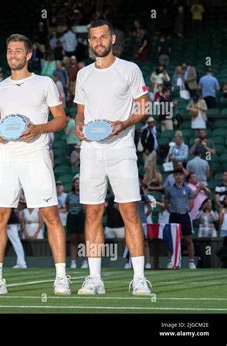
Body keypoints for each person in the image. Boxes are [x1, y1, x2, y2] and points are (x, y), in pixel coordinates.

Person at [0, 33, 70, 296]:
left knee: (50, 214)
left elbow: (61, 119)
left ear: (28, 55)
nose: (13, 55)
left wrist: (39, 128)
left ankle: (61, 277)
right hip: (6, 156)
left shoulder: (45, 83)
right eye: (9, 51)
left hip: (36, 154)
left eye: (18, 51)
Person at [73, 20, 152, 296]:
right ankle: (95, 279)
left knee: (129, 212)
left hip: (121, 149)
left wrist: (124, 122)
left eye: (102, 37)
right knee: (93, 213)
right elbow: (81, 111)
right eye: (93, 38)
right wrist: (78, 123)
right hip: (91, 151)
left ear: (113, 39)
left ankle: (139, 278)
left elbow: (143, 108)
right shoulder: (83, 74)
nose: (98, 42)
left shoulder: (130, 69)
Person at [164, 168, 196, 269]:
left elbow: (191, 203)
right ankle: (171, 261)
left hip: (185, 215)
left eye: (180, 174)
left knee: (188, 239)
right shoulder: (169, 189)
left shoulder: (188, 189)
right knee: (172, 239)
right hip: (174, 215)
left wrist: (186, 210)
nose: (178, 176)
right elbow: (165, 203)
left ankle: (191, 261)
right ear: (174, 176)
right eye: (176, 175)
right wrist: (172, 211)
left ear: (183, 176)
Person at [65, 175, 88, 269]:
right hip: (72, 217)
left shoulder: (85, 193)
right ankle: (73, 262)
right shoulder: (69, 195)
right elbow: (67, 206)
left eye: (79, 183)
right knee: (73, 241)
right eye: (76, 183)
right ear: (73, 184)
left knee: (83, 240)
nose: (77, 184)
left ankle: (85, 261)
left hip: (82, 217)